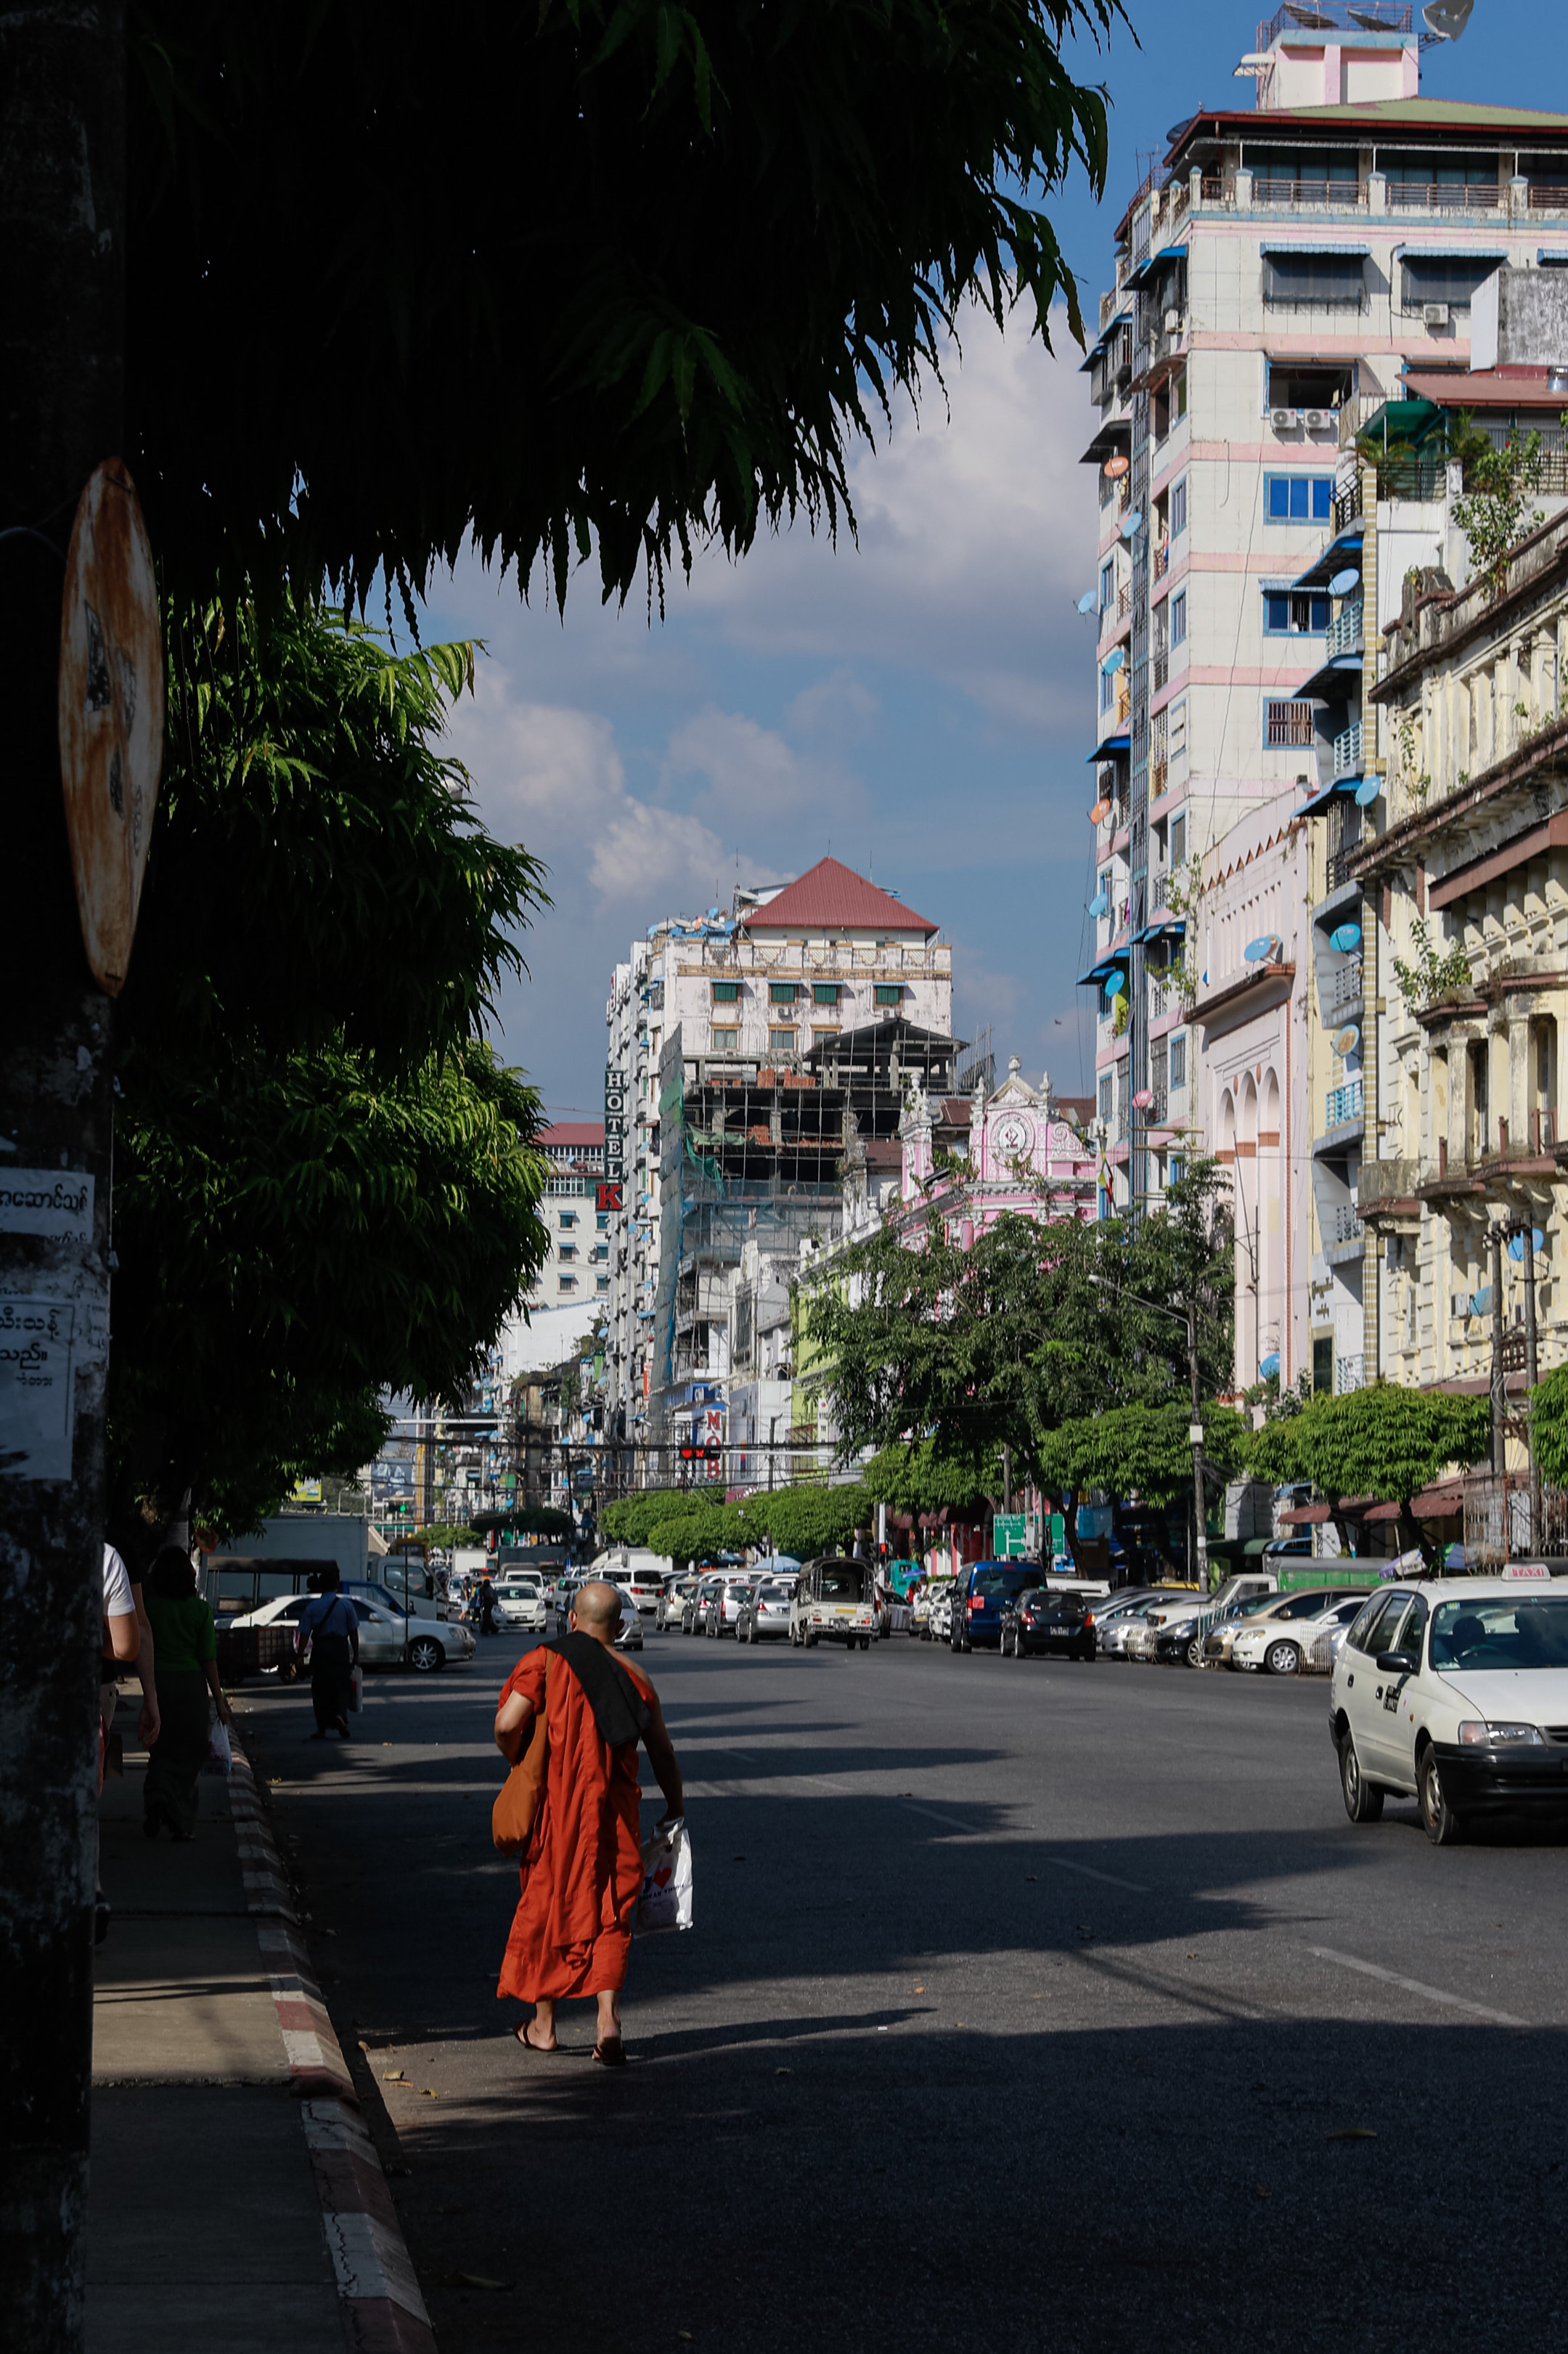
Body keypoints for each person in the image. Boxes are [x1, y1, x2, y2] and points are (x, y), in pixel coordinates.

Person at [493, 1579, 683, 2066]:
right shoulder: (635, 1677)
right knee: (611, 1915)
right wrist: (675, 1806)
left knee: (546, 1906)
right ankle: (607, 2023)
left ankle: (543, 2026)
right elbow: (662, 1752)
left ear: (572, 1620)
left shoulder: (546, 1661)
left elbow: (508, 1724)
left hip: (557, 1816)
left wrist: (521, 1761)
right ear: (618, 1627)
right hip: (614, 1819)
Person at [142, 1546, 229, 1838]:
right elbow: (208, 1659)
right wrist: (219, 1700)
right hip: (191, 1689)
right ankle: (180, 1821)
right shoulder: (200, 1611)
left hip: (157, 1686)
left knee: (161, 1748)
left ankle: (157, 1799)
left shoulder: (149, 1608)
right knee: (190, 1752)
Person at [99, 1542, 160, 1942]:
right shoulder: (107, 1555)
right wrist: (151, 1699)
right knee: (80, 1806)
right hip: (90, 1694)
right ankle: (91, 1893)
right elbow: (128, 1643)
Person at [295, 1569, 359, 1738]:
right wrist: (356, 1655)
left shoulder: (313, 1607)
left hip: (321, 1649)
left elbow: (304, 1633)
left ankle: (321, 1728)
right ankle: (340, 1714)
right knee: (343, 1685)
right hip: (340, 1649)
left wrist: (300, 1656)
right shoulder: (346, 1606)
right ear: (336, 1586)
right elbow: (353, 1632)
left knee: (320, 1688)